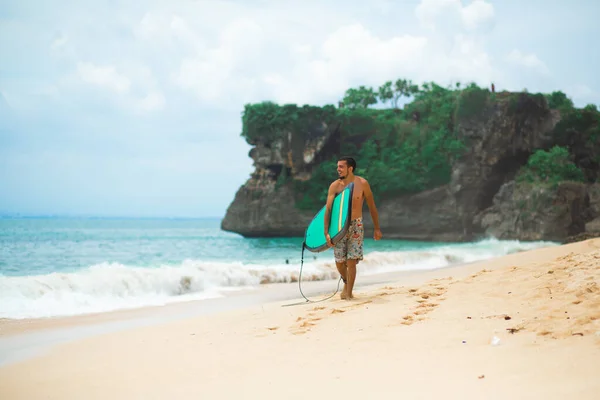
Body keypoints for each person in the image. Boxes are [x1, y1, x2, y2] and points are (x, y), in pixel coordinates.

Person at [323, 156, 382, 300]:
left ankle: (348, 293)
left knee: (351, 261)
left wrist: (377, 228)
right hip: (338, 227)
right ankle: (346, 282)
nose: (338, 169)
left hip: (356, 225)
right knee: (339, 262)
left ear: (350, 168)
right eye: (337, 166)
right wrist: (326, 232)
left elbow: (372, 206)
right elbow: (328, 209)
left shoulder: (362, 183)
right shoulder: (335, 186)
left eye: (341, 166)